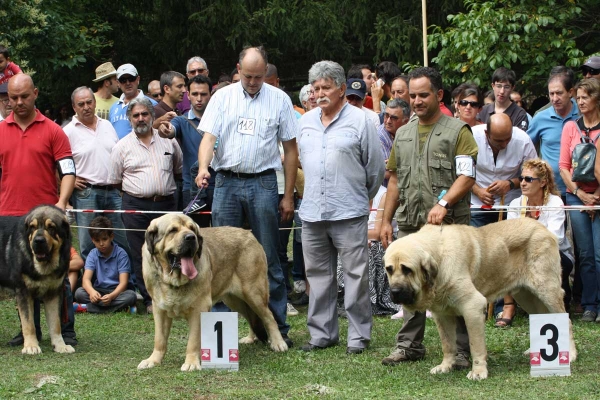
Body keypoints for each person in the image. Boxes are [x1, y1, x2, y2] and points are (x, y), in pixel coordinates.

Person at [195, 46, 297, 347]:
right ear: (238, 68)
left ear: (266, 72)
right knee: (217, 259)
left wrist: (288, 195)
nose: (253, 82)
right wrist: (203, 167)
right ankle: (220, 342)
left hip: (264, 184)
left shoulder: (279, 99)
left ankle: (276, 331)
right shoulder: (222, 97)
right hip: (226, 182)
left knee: (269, 258)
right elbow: (208, 139)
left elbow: (291, 150)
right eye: (248, 76)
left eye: (259, 76)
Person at [380, 67, 478, 368]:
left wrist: (445, 202)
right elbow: (394, 181)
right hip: (410, 223)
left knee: (455, 287)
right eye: (412, 95)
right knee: (407, 281)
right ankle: (409, 345)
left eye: (423, 95)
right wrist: (385, 220)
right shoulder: (404, 133)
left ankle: (463, 351)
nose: (417, 101)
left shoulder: (458, 131)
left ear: (439, 95)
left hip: (448, 229)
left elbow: (467, 176)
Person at [298, 60, 384, 354]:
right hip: (312, 212)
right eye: (316, 88)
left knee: (355, 276)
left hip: (349, 210)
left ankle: (358, 337)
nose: (320, 93)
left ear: (342, 89)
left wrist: (359, 196)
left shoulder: (361, 121)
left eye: (326, 87)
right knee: (318, 276)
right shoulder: (305, 122)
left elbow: (375, 169)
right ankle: (322, 334)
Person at [0, 74, 77, 346]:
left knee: (58, 276)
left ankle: (65, 331)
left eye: (24, 96)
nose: (18, 102)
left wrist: (62, 202)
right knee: (21, 278)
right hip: (9, 217)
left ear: (35, 93)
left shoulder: (54, 130)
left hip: (48, 217)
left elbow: (68, 171)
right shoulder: (0, 130)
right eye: (13, 98)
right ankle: (28, 333)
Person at [107, 97, 183, 314]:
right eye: (136, 115)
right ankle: (150, 300)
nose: (140, 119)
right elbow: (115, 181)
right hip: (135, 206)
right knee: (143, 253)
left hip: (166, 205)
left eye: (144, 114)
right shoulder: (121, 147)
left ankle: (173, 294)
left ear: (152, 116)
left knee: (171, 250)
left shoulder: (169, 141)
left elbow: (178, 170)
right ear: (130, 119)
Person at [469, 113, 537, 326]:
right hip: (476, 202)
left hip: (510, 203)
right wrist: (478, 190)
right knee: (477, 254)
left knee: (504, 255)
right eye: (499, 140)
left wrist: (511, 183)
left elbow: (535, 172)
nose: (505, 143)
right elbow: (458, 173)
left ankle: (504, 307)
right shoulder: (470, 136)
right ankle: (475, 304)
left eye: (508, 138)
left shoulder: (523, 139)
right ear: (486, 133)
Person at [63, 86, 130, 259]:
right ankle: (89, 281)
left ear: (94, 103)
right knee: (88, 242)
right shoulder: (68, 131)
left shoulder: (107, 125)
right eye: (81, 104)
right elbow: (57, 163)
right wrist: (69, 179)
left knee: (122, 238)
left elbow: (118, 154)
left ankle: (127, 281)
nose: (86, 107)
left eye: (89, 102)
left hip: (113, 191)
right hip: (86, 193)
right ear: (74, 107)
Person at [507, 159, 574, 312]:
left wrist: (525, 239)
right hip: (522, 255)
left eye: (528, 179)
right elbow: (509, 238)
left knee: (547, 258)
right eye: (522, 178)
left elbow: (555, 238)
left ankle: (561, 304)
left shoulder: (555, 202)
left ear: (543, 182)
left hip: (556, 254)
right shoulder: (515, 204)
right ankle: (515, 306)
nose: (523, 183)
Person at [559, 78, 600, 322]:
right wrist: (582, 195)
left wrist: (596, 197)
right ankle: (589, 304)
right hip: (577, 195)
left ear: (597, 99)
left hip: (598, 197)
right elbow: (564, 167)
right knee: (584, 253)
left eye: (586, 97)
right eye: (579, 98)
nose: (580, 102)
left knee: (599, 253)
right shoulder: (570, 127)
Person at [158, 74, 214, 227]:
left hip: (219, 187)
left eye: (203, 94)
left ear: (210, 94)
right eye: (195, 94)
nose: (199, 98)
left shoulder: (220, 120)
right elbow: (171, 129)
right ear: (188, 95)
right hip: (192, 189)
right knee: (194, 237)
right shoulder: (181, 120)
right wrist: (165, 129)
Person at [528, 66, 579, 196]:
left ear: (570, 92)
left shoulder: (582, 113)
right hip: (550, 190)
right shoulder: (540, 117)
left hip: (580, 187)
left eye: (559, 93)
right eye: (551, 94)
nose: (555, 98)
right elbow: (526, 147)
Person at [74, 216, 137, 313]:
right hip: (99, 290)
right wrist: (92, 292)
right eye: (97, 241)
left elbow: (123, 283)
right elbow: (86, 279)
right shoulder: (92, 254)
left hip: (117, 291)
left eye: (104, 239)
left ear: (111, 236)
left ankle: (87, 308)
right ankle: (122, 308)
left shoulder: (121, 254)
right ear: (92, 240)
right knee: (79, 293)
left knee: (131, 296)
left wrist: (112, 296)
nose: (101, 243)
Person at [109, 63, 157, 139]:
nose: (128, 83)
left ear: (138, 79)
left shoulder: (152, 104)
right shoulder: (113, 107)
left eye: (131, 79)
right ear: (118, 83)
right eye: (123, 80)